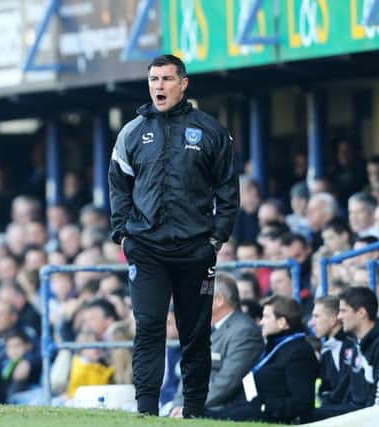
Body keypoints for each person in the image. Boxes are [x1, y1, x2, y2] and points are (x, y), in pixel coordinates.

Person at [108, 54, 239, 417]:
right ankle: (147, 410)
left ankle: (194, 409)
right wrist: (122, 235)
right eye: (153, 79)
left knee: (195, 333)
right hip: (146, 249)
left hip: (195, 249)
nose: (159, 86)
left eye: (166, 79)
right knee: (149, 326)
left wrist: (216, 239)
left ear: (184, 84)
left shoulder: (211, 131)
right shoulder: (132, 132)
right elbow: (118, 184)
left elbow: (228, 188)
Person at [205, 295, 318, 423]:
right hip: (252, 408)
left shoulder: (299, 351)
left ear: (282, 322)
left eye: (267, 317)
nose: (261, 322)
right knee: (207, 414)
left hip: (273, 417)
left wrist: (265, 405)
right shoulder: (273, 346)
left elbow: (302, 403)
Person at [170, 273, 263, 415]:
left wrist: (189, 408)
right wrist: (176, 407)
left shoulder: (244, 331)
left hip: (220, 411)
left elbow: (227, 382)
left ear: (219, 300)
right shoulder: (205, 328)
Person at [319, 287, 379, 418]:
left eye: (343, 311)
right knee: (307, 415)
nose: (339, 317)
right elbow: (347, 391)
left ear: (361, 313)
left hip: (373, 417)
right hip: (357, 411)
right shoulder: (358, 342)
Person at [309, 296, 352, 418]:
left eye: (317, 316)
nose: (312, 323)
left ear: (333, 320)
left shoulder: (352, 345)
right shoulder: (327, 349)